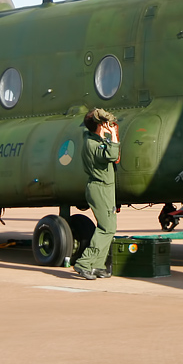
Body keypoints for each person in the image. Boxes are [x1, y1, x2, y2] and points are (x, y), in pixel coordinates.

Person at [72, 109, 120, 280]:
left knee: (110, 228)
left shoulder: (92, 138)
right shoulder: (93, 145)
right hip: (100, 188)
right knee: (106, 228)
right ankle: (84, 263)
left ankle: (98, 265)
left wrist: (103, 130)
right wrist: (113, 134)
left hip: (104, 188)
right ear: (99, 126)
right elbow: (113, 155)